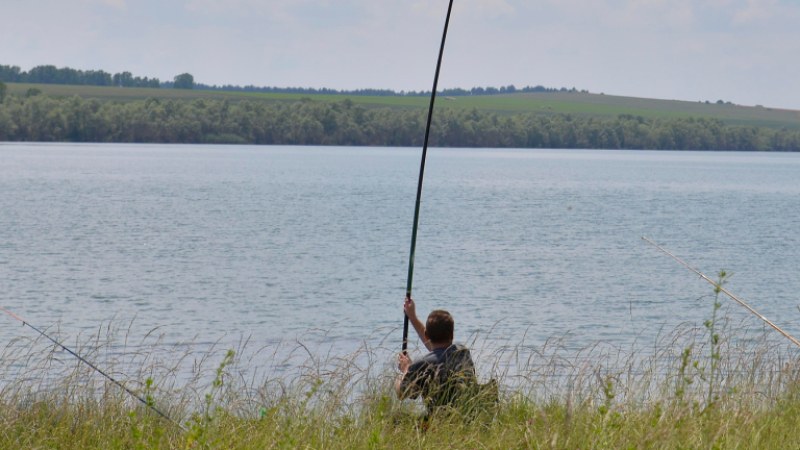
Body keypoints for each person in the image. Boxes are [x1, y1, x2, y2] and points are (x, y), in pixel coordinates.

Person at [395, 296, 478, 415]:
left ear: (427, 335)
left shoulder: (421, 365)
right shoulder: (463, 352)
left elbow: (401, 394)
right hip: (468, 418)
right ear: (452, 334)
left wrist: (406, 370)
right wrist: (412, 317)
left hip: (438, 423)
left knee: (395, 420)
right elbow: (439, 351)